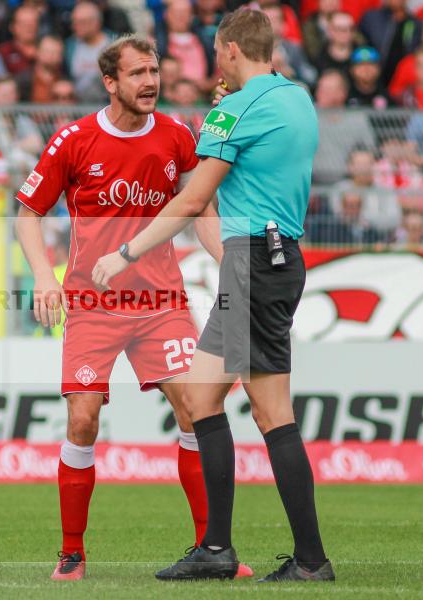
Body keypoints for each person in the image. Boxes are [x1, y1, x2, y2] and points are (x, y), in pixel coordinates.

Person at [92, 8, 334, 582]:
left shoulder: (232, 110)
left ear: (227, 49)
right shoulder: (296, 98)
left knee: (270, 412)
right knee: (203, 399)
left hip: (253, 260)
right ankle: (223, 549)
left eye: (217, 52)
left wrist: (124, 253)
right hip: (276, 258)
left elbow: (191, 199)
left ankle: (303, 560)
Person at [14, 34, 253, 582]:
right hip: (93, 307)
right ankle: (71, 552)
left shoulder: (176, 136)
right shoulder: (73, 140)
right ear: (111, 82)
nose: (151, 81)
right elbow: (27, 212)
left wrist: (227, 264)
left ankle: (211, 548)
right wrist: (43, 278)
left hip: (160, 303)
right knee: (82, 420)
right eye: (138, 72)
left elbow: (201, 208)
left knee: (197, 410)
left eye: (155, 71)